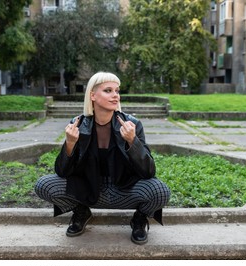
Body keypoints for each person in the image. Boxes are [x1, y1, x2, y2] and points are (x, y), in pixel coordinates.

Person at [35, 72, 170, 245]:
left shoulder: (132, 124)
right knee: (44, 185)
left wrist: (132, 141)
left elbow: (149, 171)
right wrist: (69, 143)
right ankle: (81, 212)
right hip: (88, 189)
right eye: (108, 90)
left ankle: (139, 218)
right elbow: (62, 171)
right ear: (92, 95)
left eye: (117, 90)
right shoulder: (78, 123)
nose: (115, 95)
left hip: (124, 189)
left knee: (160, 191)